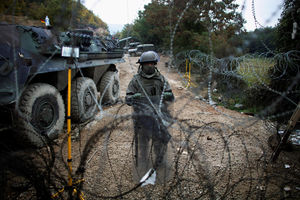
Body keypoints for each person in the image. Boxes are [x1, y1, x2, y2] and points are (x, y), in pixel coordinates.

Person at [125, 51, 174, 183]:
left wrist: (169, 95)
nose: (149, 65)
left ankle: (160, 161)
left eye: (151, 63)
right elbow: (127, 99)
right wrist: (133, 97)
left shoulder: (161, 79)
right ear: (141, 65)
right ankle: (142, 163)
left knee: (159, 140)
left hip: (158, 116)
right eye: (146, 63)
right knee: (143, 143)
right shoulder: (136, 81)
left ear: (155, 64)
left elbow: (170, 95)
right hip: (142, 117)